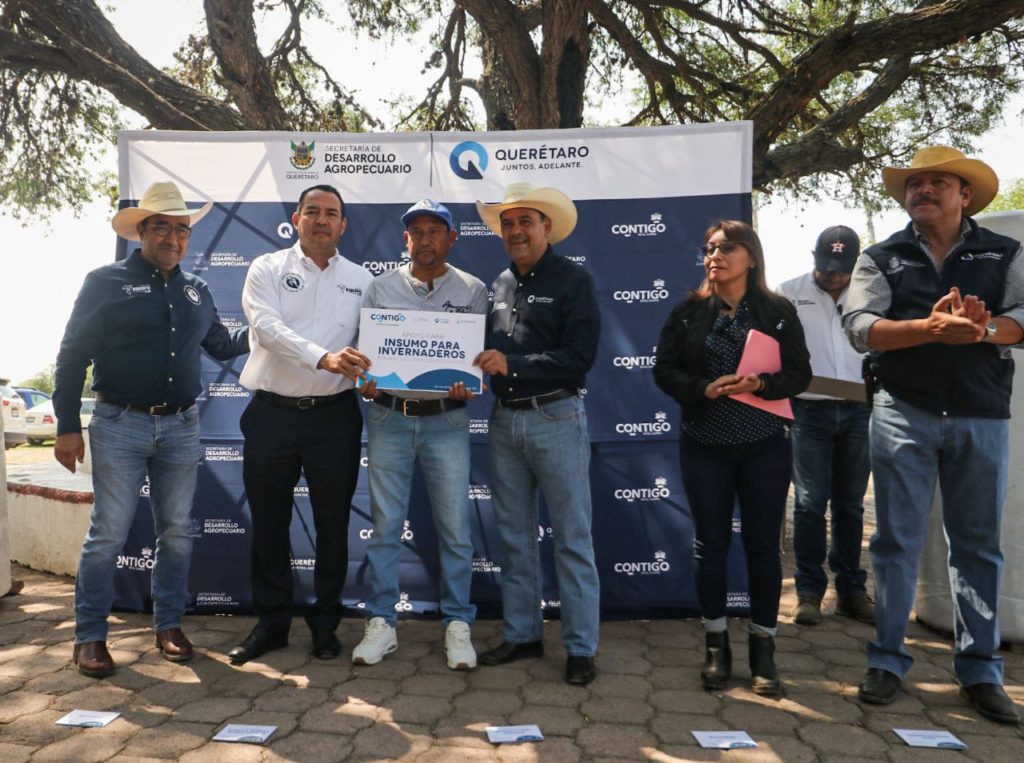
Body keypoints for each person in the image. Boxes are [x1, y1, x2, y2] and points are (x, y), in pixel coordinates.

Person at [844, 146, 1024, 724]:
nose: (922, 190)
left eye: (937, 182)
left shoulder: (1004, 252)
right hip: (903, 410)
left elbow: (1022, 317)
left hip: (980, 414)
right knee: (895, 542)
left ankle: (980, 671)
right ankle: (887, 659)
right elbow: (860, 327)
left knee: (977, 546)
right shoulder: (880, 256)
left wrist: (982, 330)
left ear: (965, 195)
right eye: (913, 184)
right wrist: (929, 328)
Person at [53, 181, 249, 677]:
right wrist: (67, 426)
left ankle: (169, 626)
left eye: (182, 229)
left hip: (181, 426)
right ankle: (89, 636)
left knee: (177, 531)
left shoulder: (197, 289)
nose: (173, 237)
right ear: (141, 230)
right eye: (162, 227)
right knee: (108, 533)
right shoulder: (105, 281)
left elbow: (223, 346)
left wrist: (270, 329)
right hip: (119, 423)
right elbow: (72, 354)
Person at [653, 220, 811, 696]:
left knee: (763, 548)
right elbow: (664, 371)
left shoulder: (777, 311)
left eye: (726, 248)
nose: (714, 256)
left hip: (764, 445)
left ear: (752, 256)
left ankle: (764, 649)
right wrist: (702, 388)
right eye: (709, 249)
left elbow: (800, 373)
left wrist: (762, 384)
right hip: (705, 444)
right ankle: (716, 645)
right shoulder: (687, 312)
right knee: (711, 546)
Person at [228, 184, 372, 665]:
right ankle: (272, 625)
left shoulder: (362, 279)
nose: (321, 220)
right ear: (297, 218)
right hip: (272, 415)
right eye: (313, 211)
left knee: (333, 525)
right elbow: (266, 329)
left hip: (334, 418)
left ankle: (325, 625)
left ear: (343, 225)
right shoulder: (266, 268)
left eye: (331, 213)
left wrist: (381, 375)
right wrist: (323, 357)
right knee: (269, 523)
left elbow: (378, 342)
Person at [472, 183, 602, 686]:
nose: (516, 231)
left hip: (556, 416)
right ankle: (523, 634)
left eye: (525, 221)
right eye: (508, 223)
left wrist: (515, 364)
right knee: (514, 536)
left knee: (571, 537)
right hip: (505, 419)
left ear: (547, 226)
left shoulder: (574, 280)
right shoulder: (500, 283)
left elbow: (580, 357)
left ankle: (580, 647)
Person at [351, 199, 488, 670]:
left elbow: (474, 358)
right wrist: (366, 380)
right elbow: (366, 356)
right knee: (385, 528)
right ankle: (382, 621)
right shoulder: (380, 287)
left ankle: (458, 623)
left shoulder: (473, 289)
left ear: (452, 238)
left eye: (435, 230)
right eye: (417, 231)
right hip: (389, 416)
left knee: (455, 529)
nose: (425, 239)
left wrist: (467, 381)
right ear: (405, 239)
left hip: (447, 419)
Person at [777, 226, 873, 627]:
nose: (833, 275)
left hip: (860, 411)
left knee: (850, 504)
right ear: (813, 257)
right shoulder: (787, 293)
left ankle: (852, 591)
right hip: (808, 411)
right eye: (826, 266)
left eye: (842, 268)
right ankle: (809, 592)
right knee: (809, 503)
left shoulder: (871, 293)